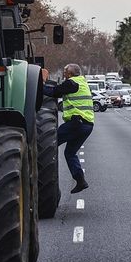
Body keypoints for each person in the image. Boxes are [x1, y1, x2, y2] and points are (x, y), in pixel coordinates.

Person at [42, 63, 92, 193]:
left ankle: (44, 177)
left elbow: (53, 92)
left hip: (76, 123)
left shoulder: (71, 83)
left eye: (64, 72)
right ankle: (81, 181)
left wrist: (40, 84)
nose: (63, 74)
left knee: (49, 144)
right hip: (87, 125)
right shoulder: (82, 82)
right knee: (69, 153)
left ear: (69, 74)